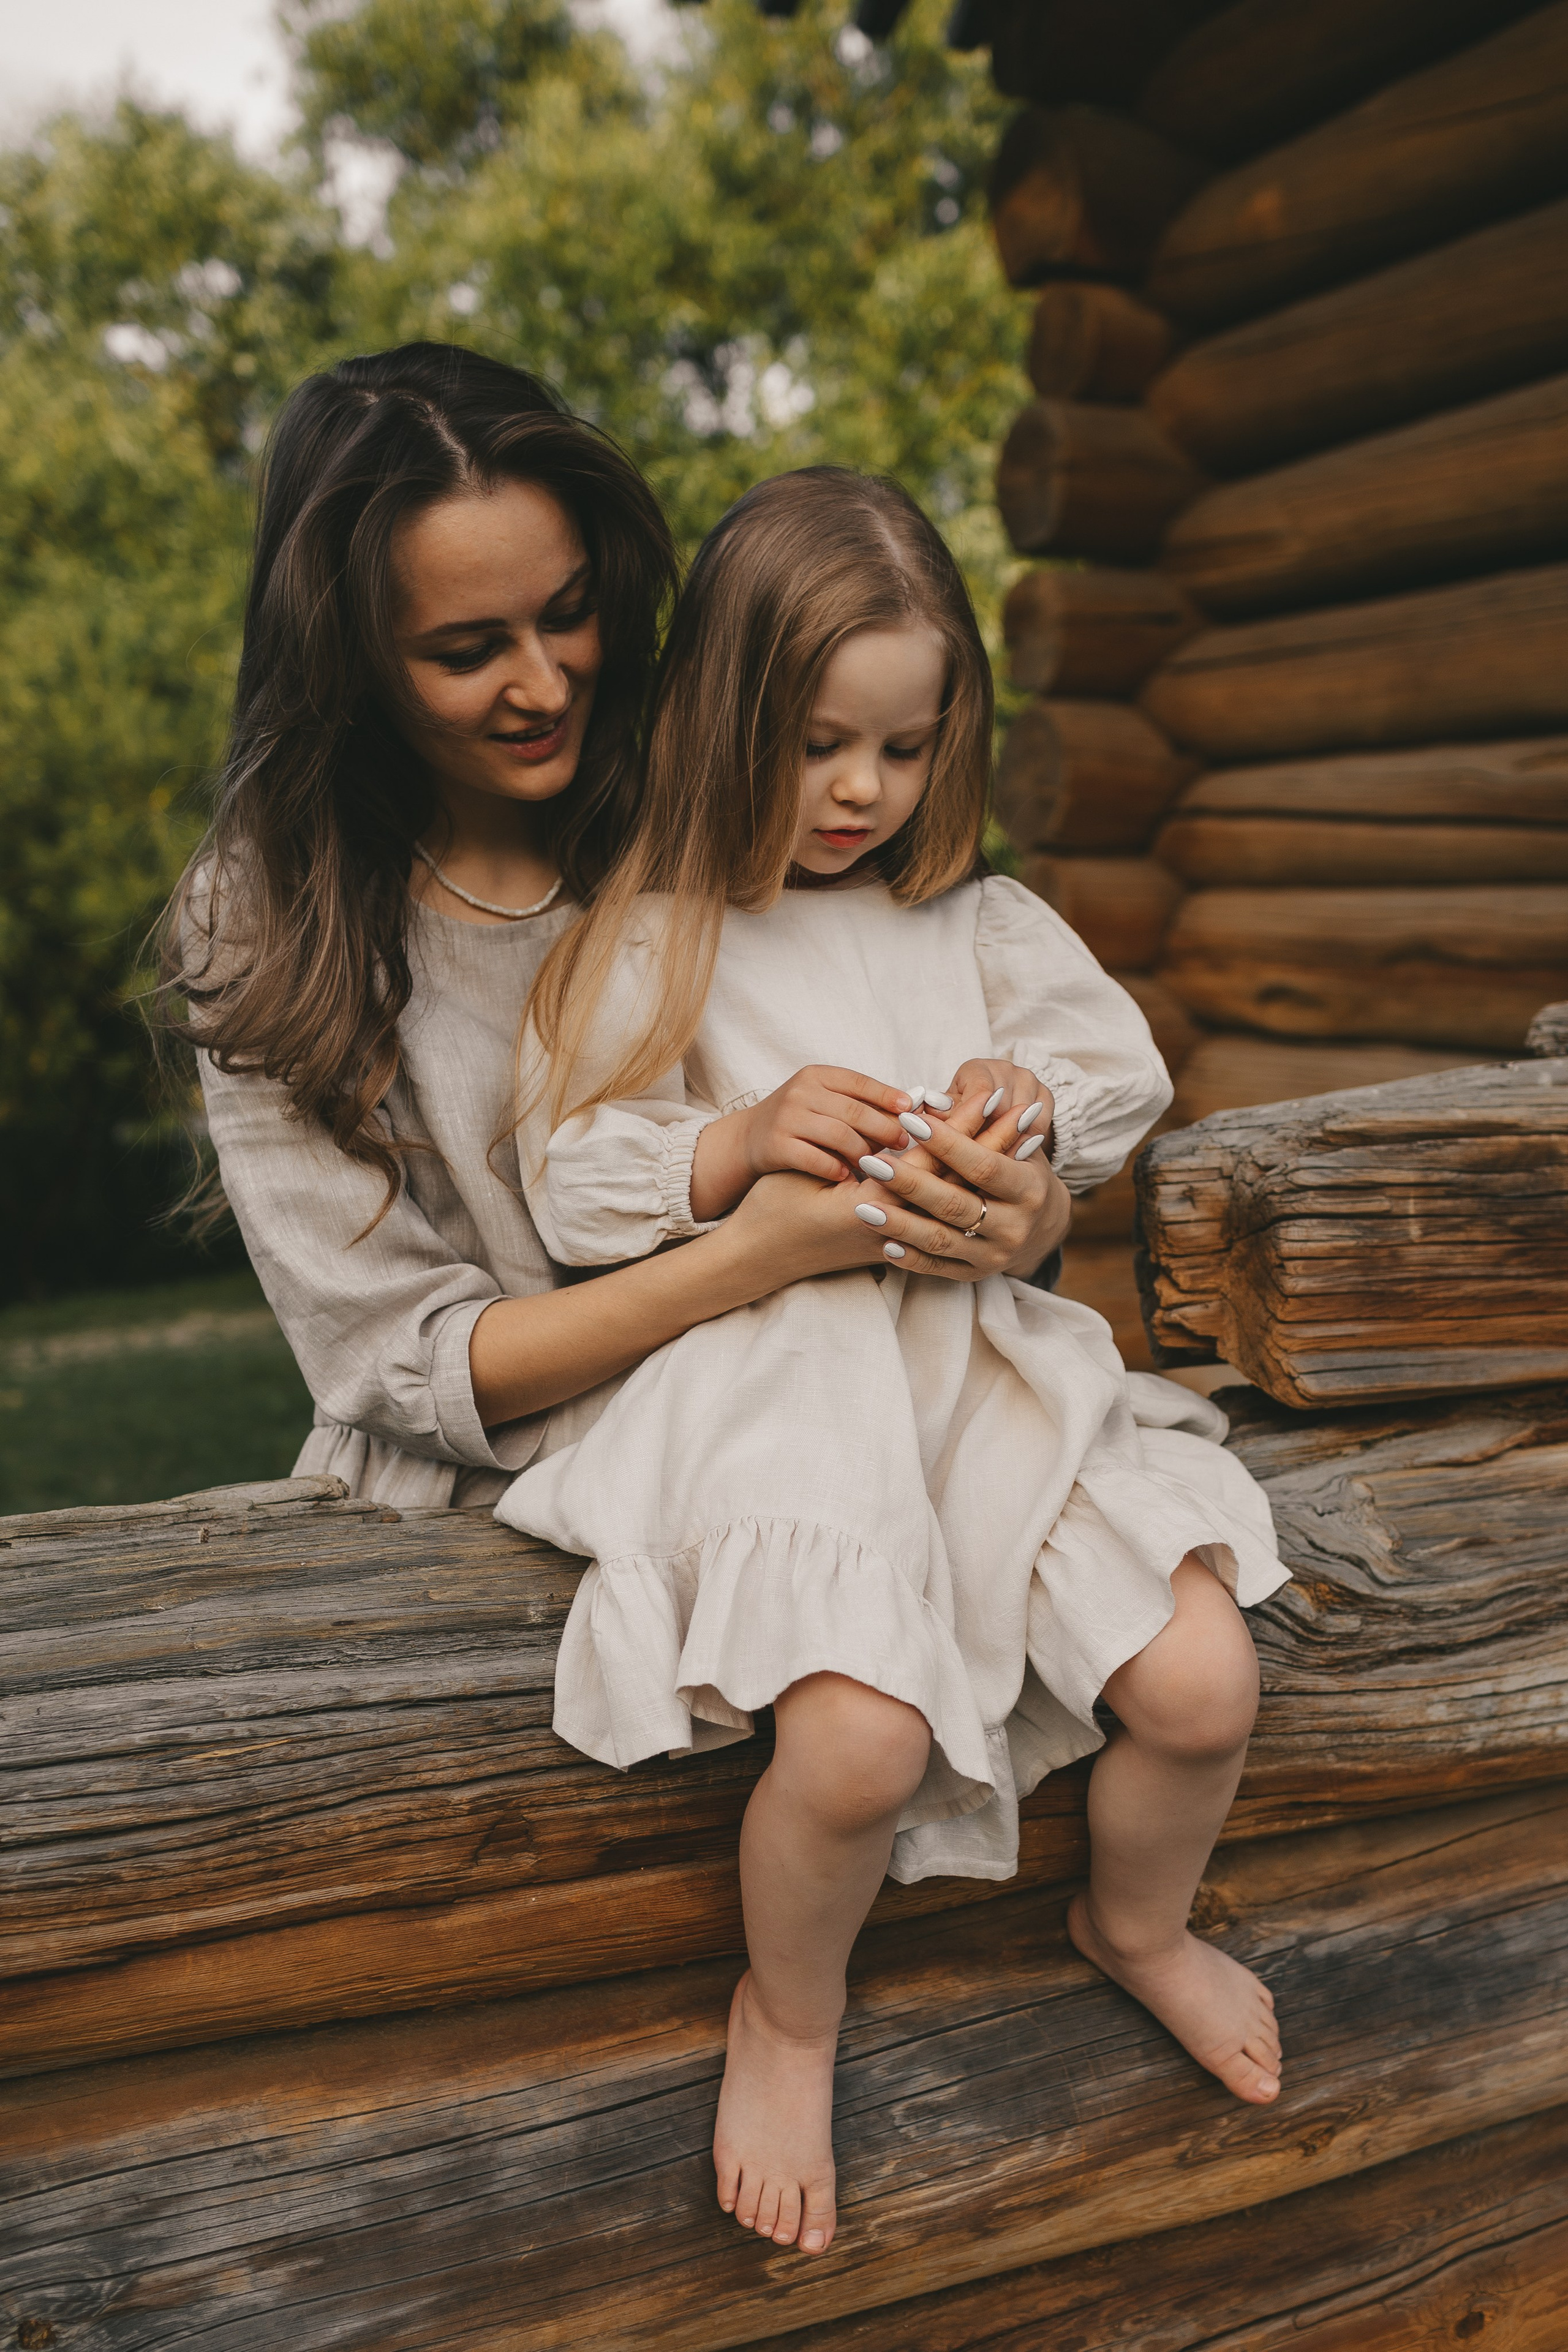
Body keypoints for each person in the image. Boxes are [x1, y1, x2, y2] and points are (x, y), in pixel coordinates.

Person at [496, 467, 1291, 2260]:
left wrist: (1026, 1121)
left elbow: (1117, 1076)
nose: (863, 793)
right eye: (819, 746)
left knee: (1204, 1683)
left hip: (975, 1372)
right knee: (852, 1746)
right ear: (725, 724)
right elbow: (570, 1174)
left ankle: (1137, 1925)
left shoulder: (977, 928)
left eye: (907, 750)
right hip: (785, 1394)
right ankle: (790, 2013)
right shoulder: (659, 935)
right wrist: (739, 1138)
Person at [157, 346, 1065, 1529]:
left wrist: (1024, 1218)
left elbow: (927, 1047)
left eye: (570, 614)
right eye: (467, 652)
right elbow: (395, 1364)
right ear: (351, 660)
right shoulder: (265, 915)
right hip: (476, 1523)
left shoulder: (717, 797)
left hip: (821, 1464)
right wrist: (756, 1256)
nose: (545, 686)